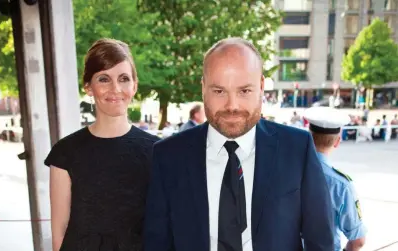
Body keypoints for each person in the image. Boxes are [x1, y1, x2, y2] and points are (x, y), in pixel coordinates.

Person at [144, 37, 334, 251]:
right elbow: (156, 243)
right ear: (203, 87)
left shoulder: (298, 149)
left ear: (261, 86)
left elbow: (321, 241)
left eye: (244, 91)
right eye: (219, 91)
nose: (232, 106)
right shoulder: (168, 156)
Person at [45, 38, 159, 251]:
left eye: (124, 78)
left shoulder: (159, 151)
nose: (115, 88)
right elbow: (59, 232)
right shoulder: (65, 153)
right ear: (88, 87)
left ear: (134, 85)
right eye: (104, 79)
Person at [304, 107, 367, 251]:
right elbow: (358, 241)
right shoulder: (342, 185)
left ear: (308, 137)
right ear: (337, 142)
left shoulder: (285, 172)